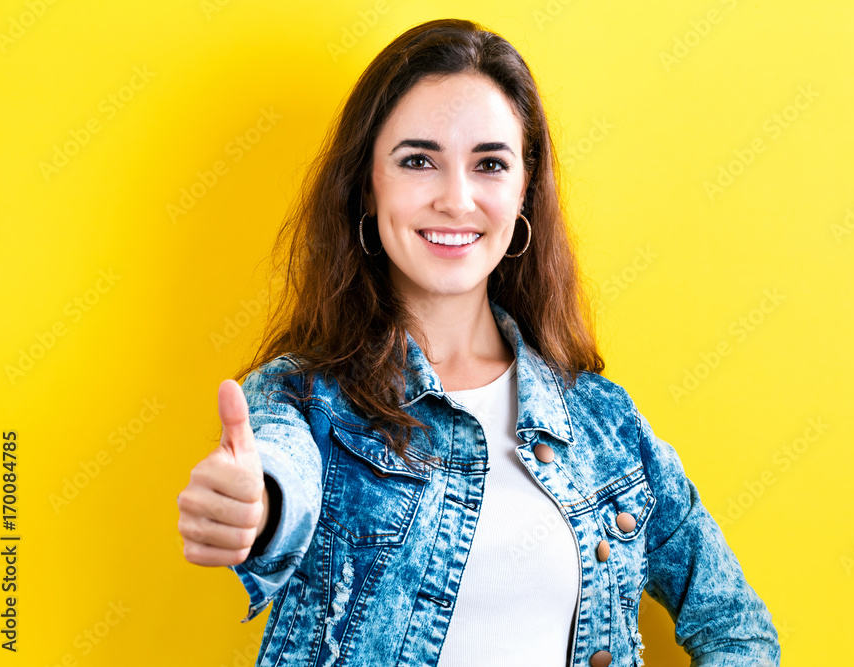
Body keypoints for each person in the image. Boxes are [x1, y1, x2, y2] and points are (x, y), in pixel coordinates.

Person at [176, 18, 780, 667]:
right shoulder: (303, 398)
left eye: (489, 163)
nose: (456, 198)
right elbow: (278, 475)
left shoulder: (604, 423)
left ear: (524, 189)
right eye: (418, 160)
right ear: (366, 184)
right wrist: (256, 505)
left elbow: (734, 622)